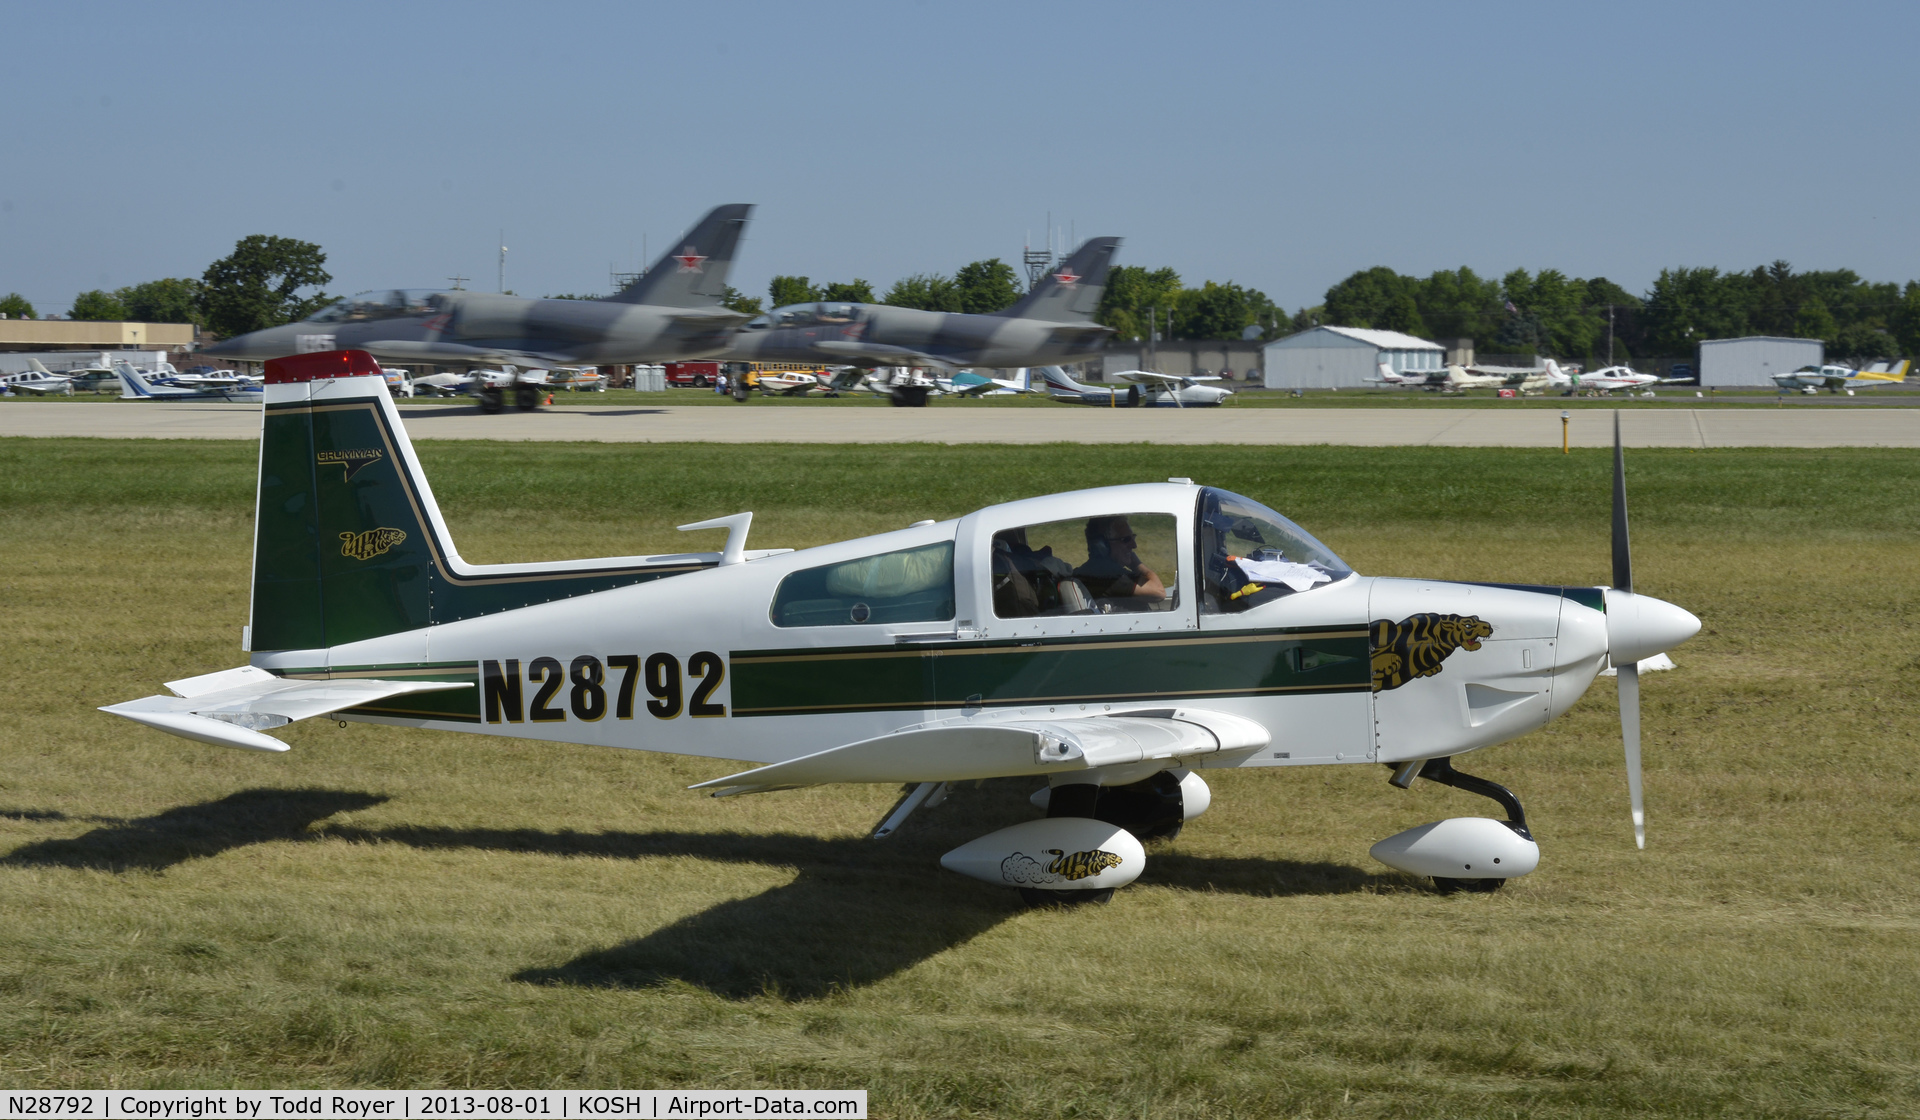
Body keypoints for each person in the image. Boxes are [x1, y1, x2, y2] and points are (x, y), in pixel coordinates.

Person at [1075, 515, 1166, 606]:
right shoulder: (1107, 575)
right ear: (1102, 546)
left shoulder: (1094, 570)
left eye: (1132, 537)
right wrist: (1137, 564)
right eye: (1126, 539)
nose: (1134, 545)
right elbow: (1159, 592)